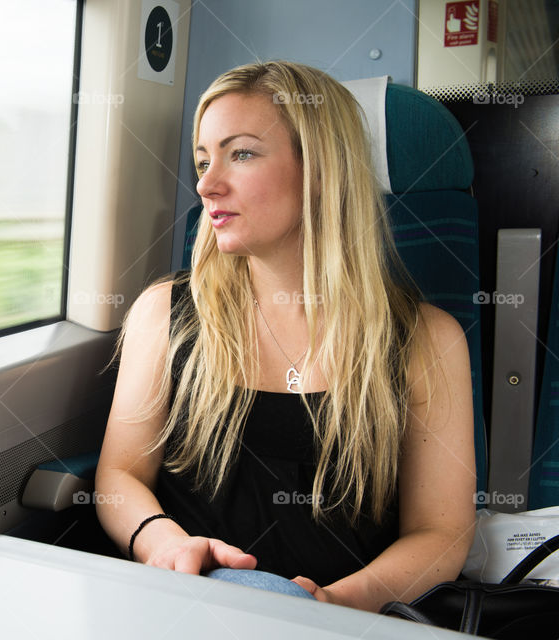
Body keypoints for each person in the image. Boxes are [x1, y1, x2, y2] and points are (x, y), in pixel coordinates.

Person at [94, 61, 476, 612]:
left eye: (241, 153)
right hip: (182, 606)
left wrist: (330, 606)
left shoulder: (426, 342)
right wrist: (165, 544)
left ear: (321, 170)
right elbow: (119, 474)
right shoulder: (164, 314)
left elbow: (441, 533)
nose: (206, 184)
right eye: (203, 160)